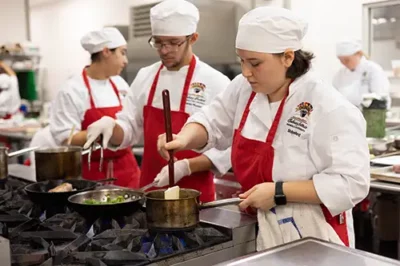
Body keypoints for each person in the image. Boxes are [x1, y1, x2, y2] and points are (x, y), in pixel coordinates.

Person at [157, 7, 370, 250]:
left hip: (315, 233)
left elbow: (352, 183)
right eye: (242, 61)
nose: (246, 72)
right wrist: (184, 138)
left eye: (255, 63)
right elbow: (213, 120)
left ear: (288, 57)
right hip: (260, 223)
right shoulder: (244, 88)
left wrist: (279, 192)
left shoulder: (328, 106)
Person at [83, 0, 232, 202]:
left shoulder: (215, 82)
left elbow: (228, 147)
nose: (164, 50)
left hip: (197, 198)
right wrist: (111, 126)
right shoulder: (146, 76)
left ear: (193, 38)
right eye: (158, 42)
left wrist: (186, 166)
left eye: (173, 42)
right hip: (150, 192)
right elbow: (129, 128)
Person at [50, 27, 140, 188]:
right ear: (106, 52)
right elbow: (65, 138)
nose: (125, 61)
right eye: (122, 52)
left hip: (128, 172)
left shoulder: (120, 84)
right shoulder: (72, 89)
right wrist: (99, 132)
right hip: (92, 174)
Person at [333, 39, 390, 108]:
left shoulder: (373, 70)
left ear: (359, 54)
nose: (343, 63)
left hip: (370, 114)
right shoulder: (340, 74)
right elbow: (334, 96)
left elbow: (380, 96)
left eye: (346, 60)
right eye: (340, 60)